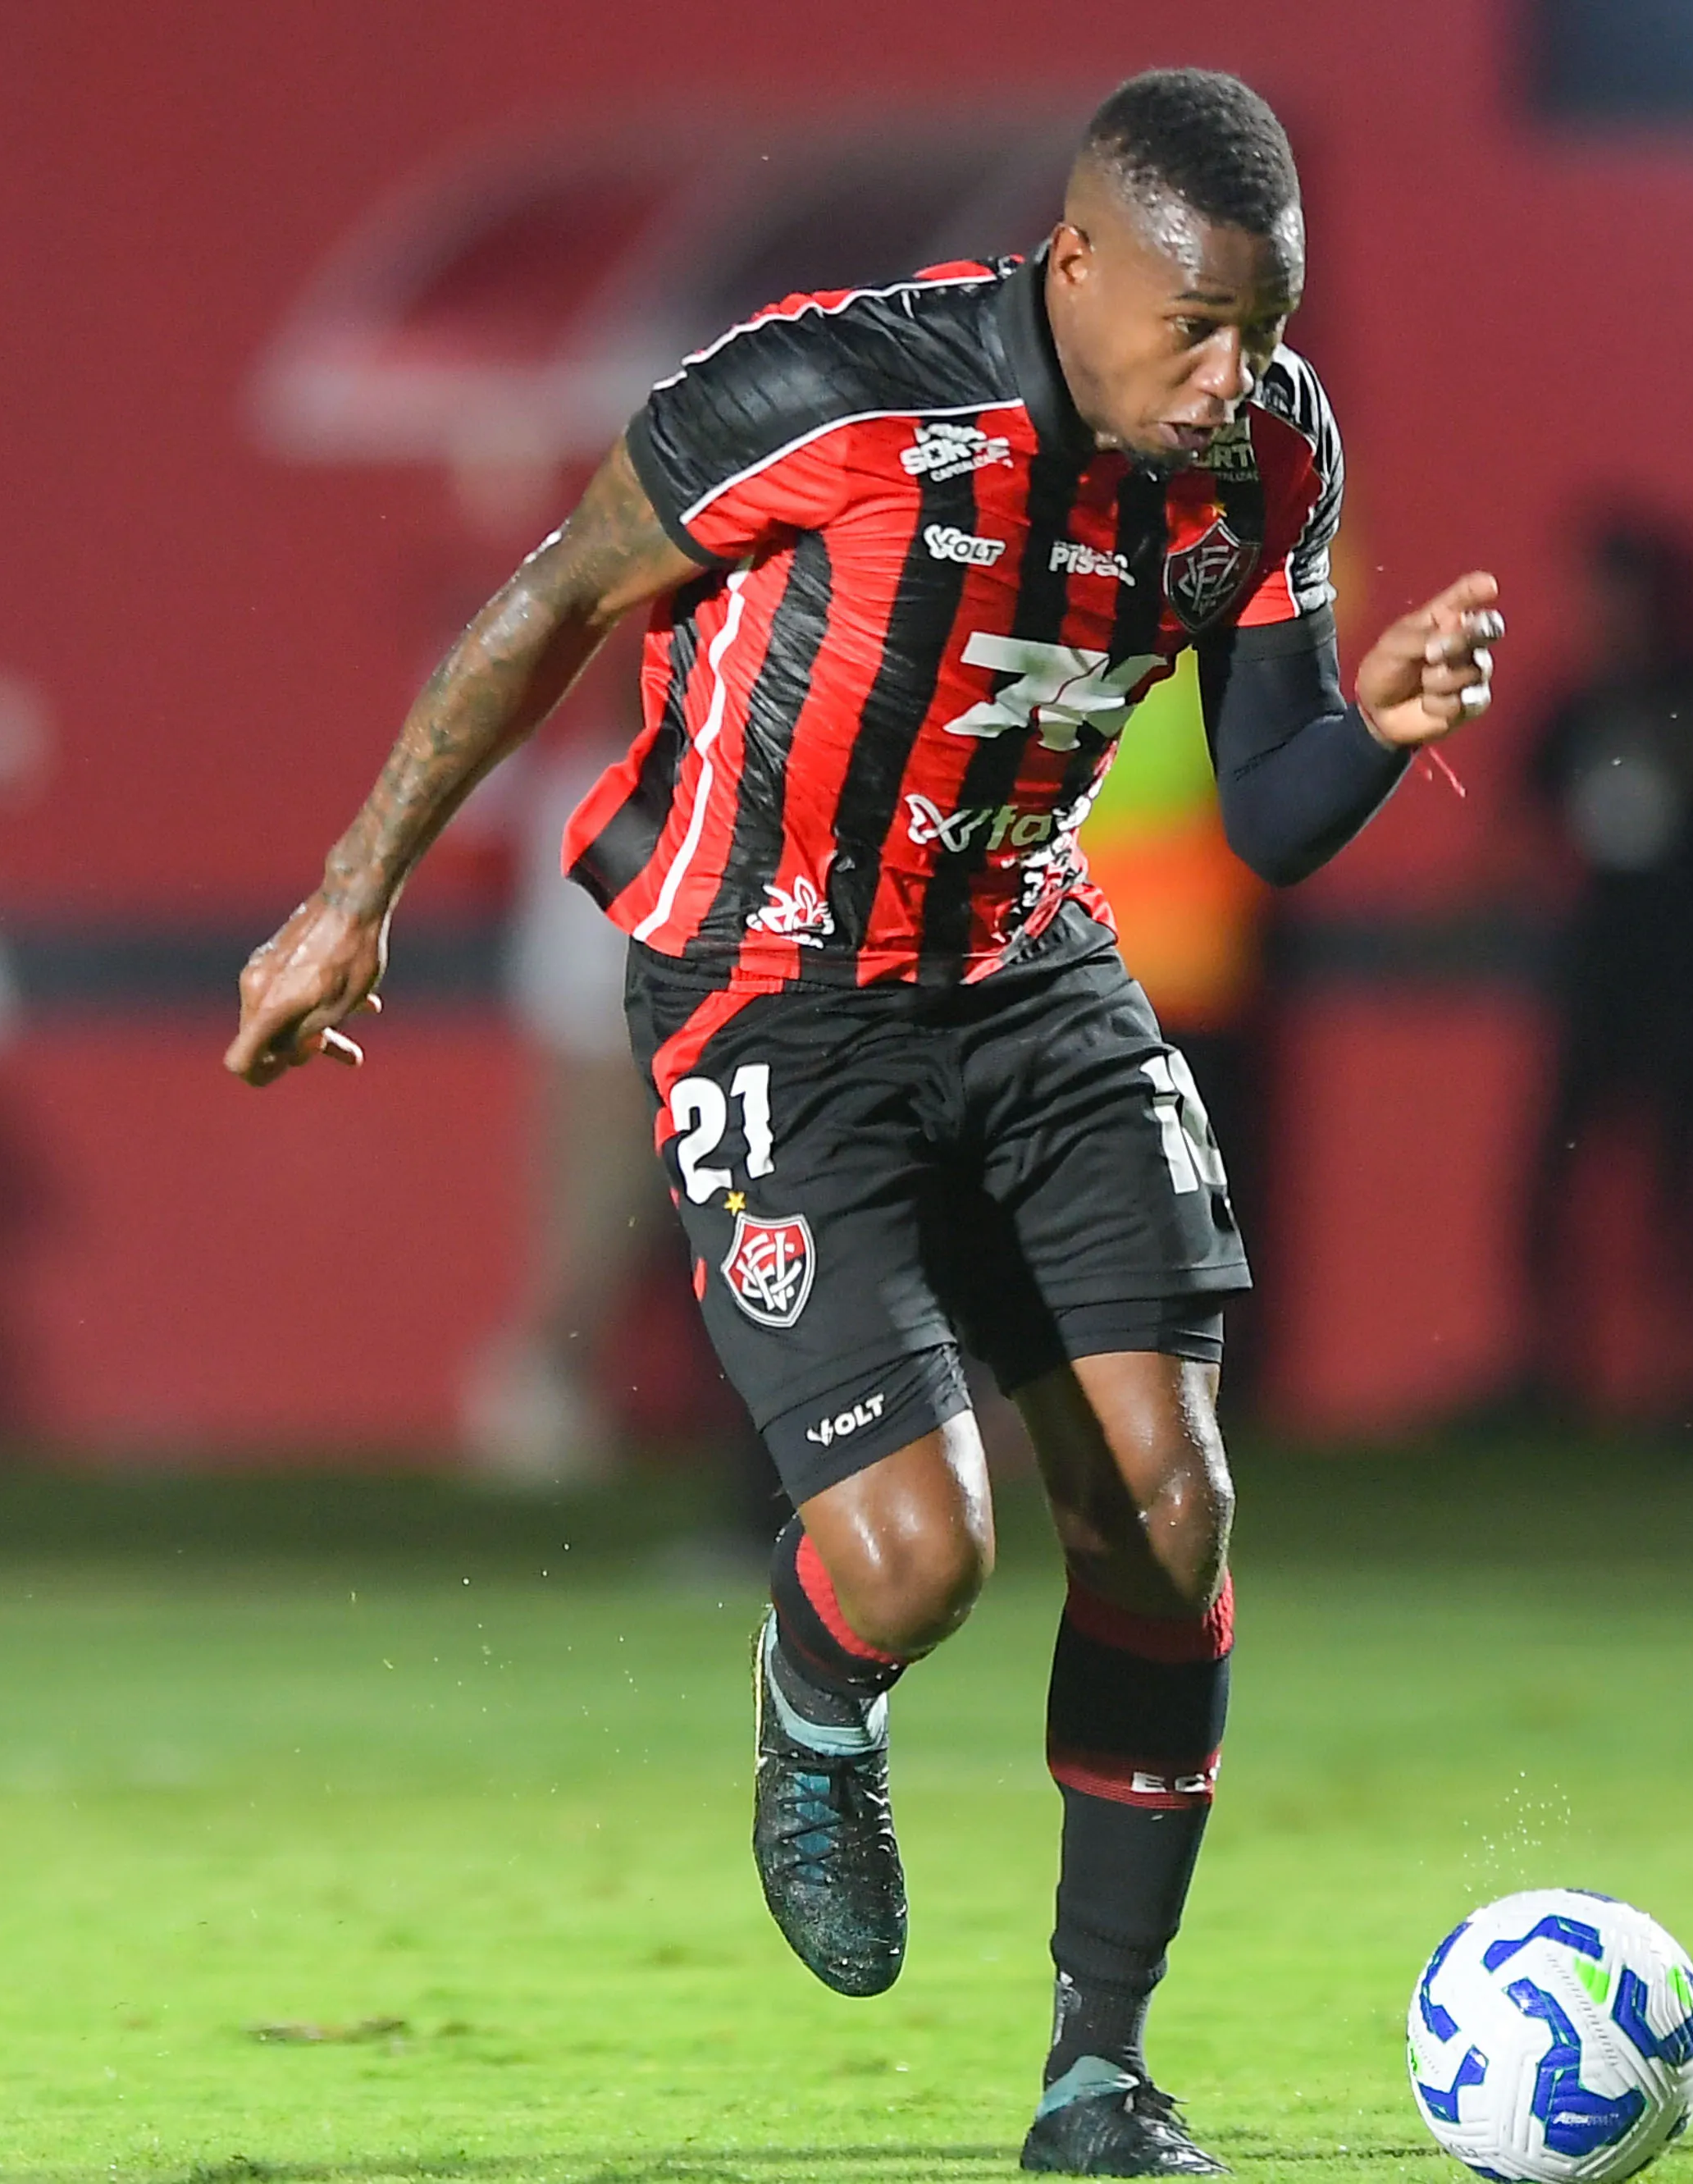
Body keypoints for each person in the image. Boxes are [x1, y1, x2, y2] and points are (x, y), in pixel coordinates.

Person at [226, 70, 1504, 2174]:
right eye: (1192, 323)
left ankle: (1099, 2073)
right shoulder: (827, 389)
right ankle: (821, 1697)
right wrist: (347, 898)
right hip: (771, 991)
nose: (1232, 371)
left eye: (1263, 325)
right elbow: (551, 598)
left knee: (1169, 1518)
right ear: (1073, 261)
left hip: (1028, 971)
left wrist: (1368, 724)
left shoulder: (1269, 452)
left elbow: (1267, 813)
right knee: (919, 1559)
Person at [1516, 519, 1693, 1424]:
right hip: (1600, 961)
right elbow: (1520, 813)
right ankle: (1551, 1368)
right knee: (1557, 1168)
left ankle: (1689, 1381)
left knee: (1688, 1176)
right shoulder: (1577, 701)